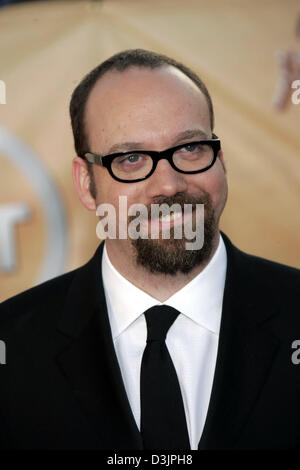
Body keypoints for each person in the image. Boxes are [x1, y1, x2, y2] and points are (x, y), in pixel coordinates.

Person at [0, 49, 299, 450]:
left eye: (190, 148)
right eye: (132, 158)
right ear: (86, 184)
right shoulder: (13, 348)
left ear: (220, 159)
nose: (169, 185)